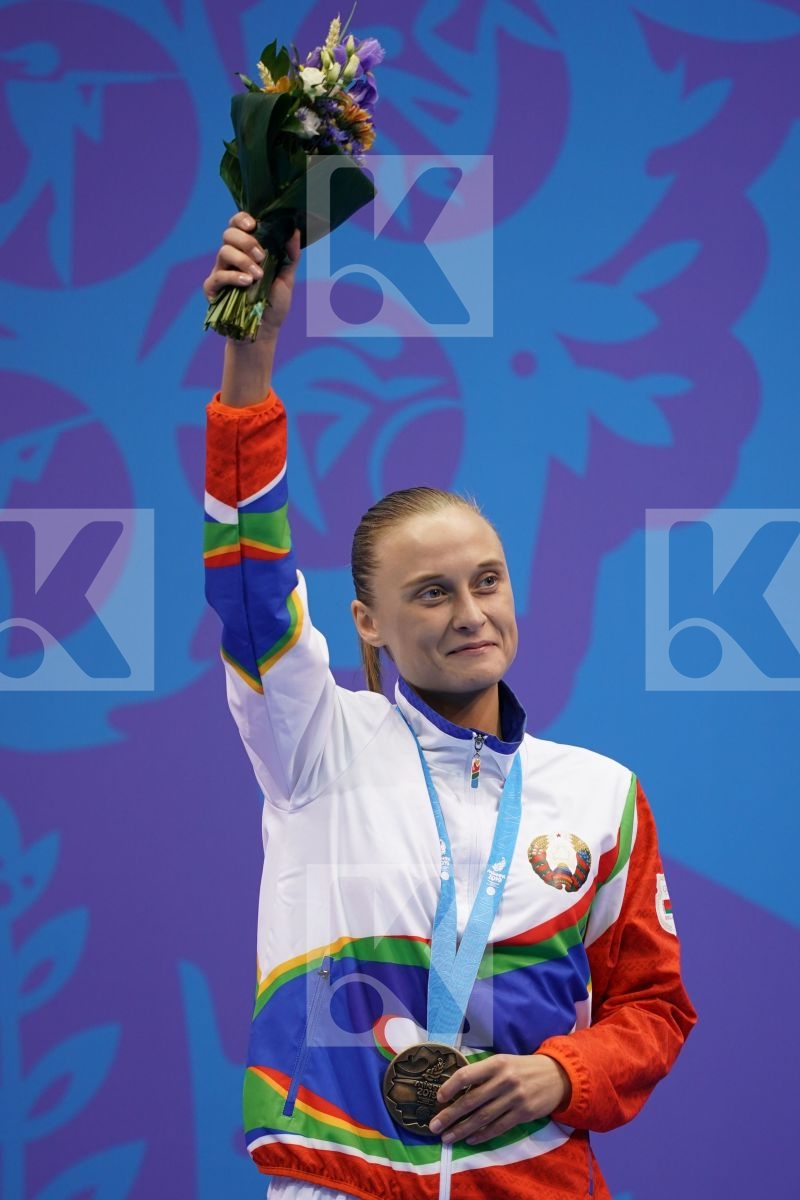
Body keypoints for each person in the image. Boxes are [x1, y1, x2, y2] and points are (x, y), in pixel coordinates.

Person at [202, 212, 697, 1200]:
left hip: (537, 1183)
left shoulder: (599, 797)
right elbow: (250, 582)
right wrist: (248, 367)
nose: (470, 613)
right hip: (338, 1176)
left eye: (486, 581)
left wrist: (566, 1071)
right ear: (366, 622)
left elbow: (650, 1006)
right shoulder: (314, 743)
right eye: (430, 593)